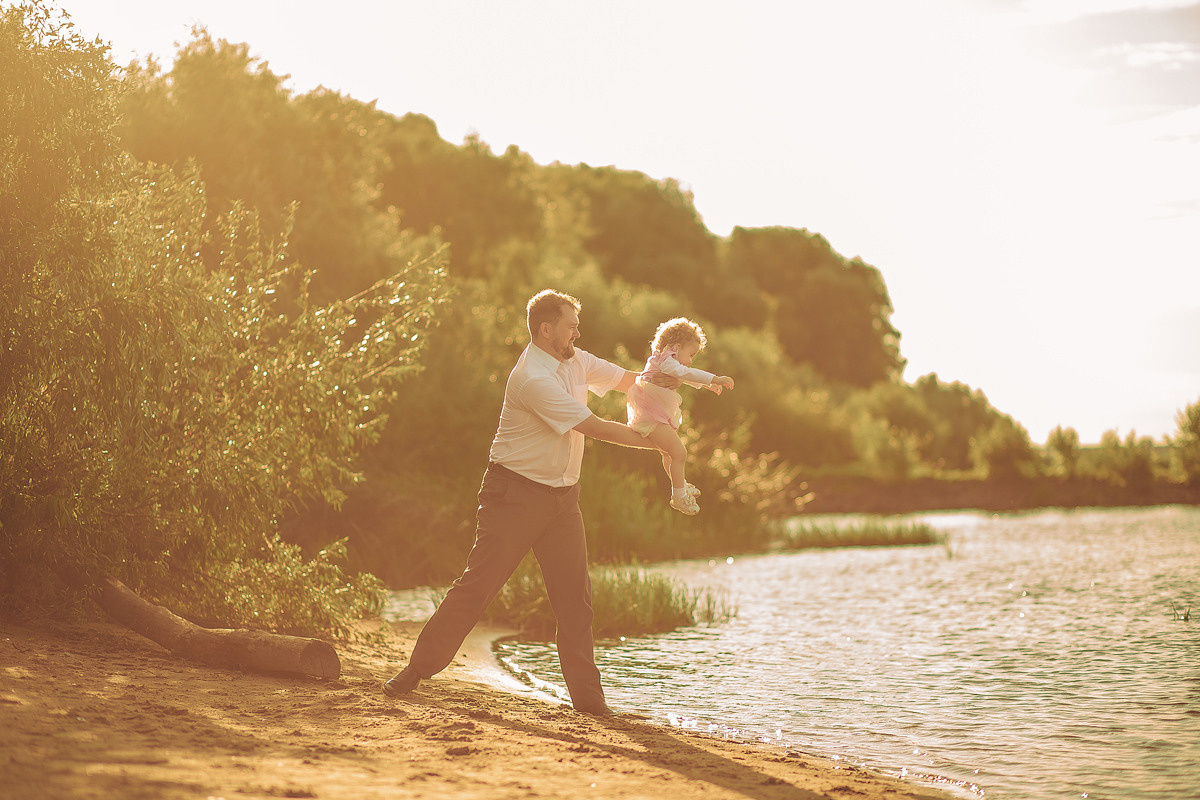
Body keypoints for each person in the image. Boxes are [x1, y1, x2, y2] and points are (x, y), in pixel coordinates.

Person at [382, 289, 666, 715]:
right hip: (514, 495)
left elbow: (629, 380)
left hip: (562, 499)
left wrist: (669, 378)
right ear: (545, 329)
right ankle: (417, 669)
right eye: (570, 324)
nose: (577, 331)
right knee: (479, 586)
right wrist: (663, 446)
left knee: (576, 600)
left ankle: (590, 704)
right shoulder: (532, 378)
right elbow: (594, 427)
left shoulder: (576, 359)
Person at [626, 317, 734, 515]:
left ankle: (680, 485)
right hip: (651, 416)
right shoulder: (667, 360)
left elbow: (682, 374)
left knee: (668, 454)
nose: (691, 360)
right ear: (676, 347)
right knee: (680, 453)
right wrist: (714, 378)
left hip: (653, 415)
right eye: (691, 354)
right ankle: (679, 496)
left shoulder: (663, 361)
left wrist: (707, 385)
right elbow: (685, 373)